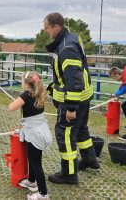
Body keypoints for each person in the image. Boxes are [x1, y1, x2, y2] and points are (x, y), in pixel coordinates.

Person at [43, 12, 99, 185]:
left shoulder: (66, 49)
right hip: (85, 96)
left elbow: (74, 80)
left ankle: (69, 173)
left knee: (65, 134)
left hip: (73, 99)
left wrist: (71, 109)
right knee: (81, 128)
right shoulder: (72, 36)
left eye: (47, 28)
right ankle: (90, 160)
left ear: (56, 26)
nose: (45, 31)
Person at [9, 72, 52, 200]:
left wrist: (19, 99)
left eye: (22, 81)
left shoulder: (26, 95)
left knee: (36, 163)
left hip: (35, 133)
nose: (21, 83)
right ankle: (31, 181)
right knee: (32, 158)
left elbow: (11, 107)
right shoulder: (38, 93)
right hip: (38, 130)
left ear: (27, 84)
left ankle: (43, 194)